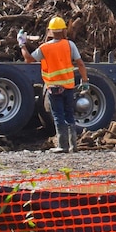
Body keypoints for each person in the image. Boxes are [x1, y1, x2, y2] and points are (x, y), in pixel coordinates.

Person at [19, 17, 88, 153]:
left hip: (54, 88)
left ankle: (63, 146)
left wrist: (22, 44)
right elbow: (80, 63)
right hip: (68, 87)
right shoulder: (70, 45)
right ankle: (73, 145)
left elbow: (28, 59)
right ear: (63, 30)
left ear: (50, 31)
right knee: (69, 115)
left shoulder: (45, 48)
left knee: (58, 115)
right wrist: (85, 80)